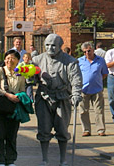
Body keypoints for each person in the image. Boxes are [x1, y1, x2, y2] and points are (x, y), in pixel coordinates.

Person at [32, 33, 82, 166]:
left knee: (62, 129)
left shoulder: (70, 61)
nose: (50, 48)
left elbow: (76, 80)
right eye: (47, 45)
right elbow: (31, 80)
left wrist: (76, 94)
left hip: (62, 98)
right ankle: (44, 159)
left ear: (60, 46)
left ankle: (63, 159)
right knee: (44, 129)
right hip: (44, 98)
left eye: (54, 45)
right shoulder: (37, 60)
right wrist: (30, 75)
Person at [0, 50, 26, 166]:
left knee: (11, 135)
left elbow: (22, 90)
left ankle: (10, 160)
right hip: (0, 106)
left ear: (18, 61)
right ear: (4, 60)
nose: (10, 60)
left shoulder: (20, 74)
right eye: (8, 58)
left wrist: (19, 97)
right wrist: (7, 95)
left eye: (13, 58)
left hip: (14, 108)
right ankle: (0, 160)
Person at [78, 42, 108, 137]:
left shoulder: (101, 60)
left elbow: (104, 73)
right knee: (83, 111)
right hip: (83, 89)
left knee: (99, 110)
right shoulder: (79, 61)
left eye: (89, 51)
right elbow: (76, 74)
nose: (87, 53)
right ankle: (86, 129)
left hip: (97, 89)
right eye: (85, 52)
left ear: (93, 50)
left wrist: (97, 80)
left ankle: (100, 129)